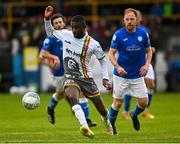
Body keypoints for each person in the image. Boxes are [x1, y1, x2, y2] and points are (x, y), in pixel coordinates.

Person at [44, 6, 113, 138]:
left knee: (102, 110)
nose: (75, 30)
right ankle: (84, 126)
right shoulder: (66, 34)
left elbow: (103, 60)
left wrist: (105, 77)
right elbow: (50, 33)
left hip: (86, 78)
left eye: (77, 28)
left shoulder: (93, 44)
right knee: (72, 96)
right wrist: (47, 19)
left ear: (84, 27)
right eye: (73, 27)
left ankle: (106, 121)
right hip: (70, 76)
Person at [39, 14, 96, 127]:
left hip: (73, 71)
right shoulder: (50, 38)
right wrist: (54, 58)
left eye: (60, 22)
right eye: (56, 23)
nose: (59, 24)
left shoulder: (70, 35)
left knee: (81, 94)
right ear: (53, 26)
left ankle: (87, 120)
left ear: (64, 23)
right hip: (59, 73)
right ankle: (50, 108)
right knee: (60, 94)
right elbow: (43, 54)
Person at [108, 8, 152, 135]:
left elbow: (149, 51)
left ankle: (134, 114)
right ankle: (112, 127)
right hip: (121, 75)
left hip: (137, 74)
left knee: (143, 103)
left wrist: (147, 64)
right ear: (123, 20)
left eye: (132, 19)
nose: (129, 21)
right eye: (127, 19)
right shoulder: (118, 35)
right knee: (117, 103)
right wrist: (117, 67)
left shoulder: (143, 34)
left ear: (136, 20)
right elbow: (111, 54)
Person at [122, 10, 156, 120]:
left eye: (137, 17)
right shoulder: (124, 32)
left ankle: (145, 110)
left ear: (139, 19)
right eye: (129, 18)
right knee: (130, 86)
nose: (132, 20)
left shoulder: (145, 31)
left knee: (150, 84)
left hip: (145, 62)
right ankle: (126, 111)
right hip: (133, 63)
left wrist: (151, 49)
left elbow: (149, 46)